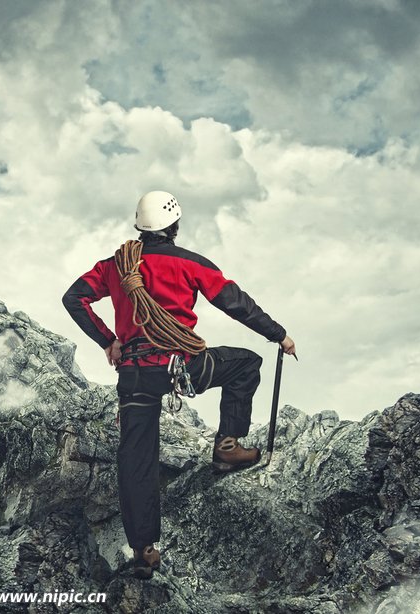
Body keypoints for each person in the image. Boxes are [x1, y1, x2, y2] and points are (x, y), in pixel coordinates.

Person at [62, 190, 296, 579]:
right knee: (245, 365)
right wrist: (279, 335)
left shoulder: (115, 267)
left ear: (140, 226)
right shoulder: (190, 263)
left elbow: (74, 299)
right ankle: (227, 447)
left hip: (135, 373)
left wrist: (108, 340)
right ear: (175, 226)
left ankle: (143, 552)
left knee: (137, 458)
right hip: (182, 364)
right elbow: (237, 304)